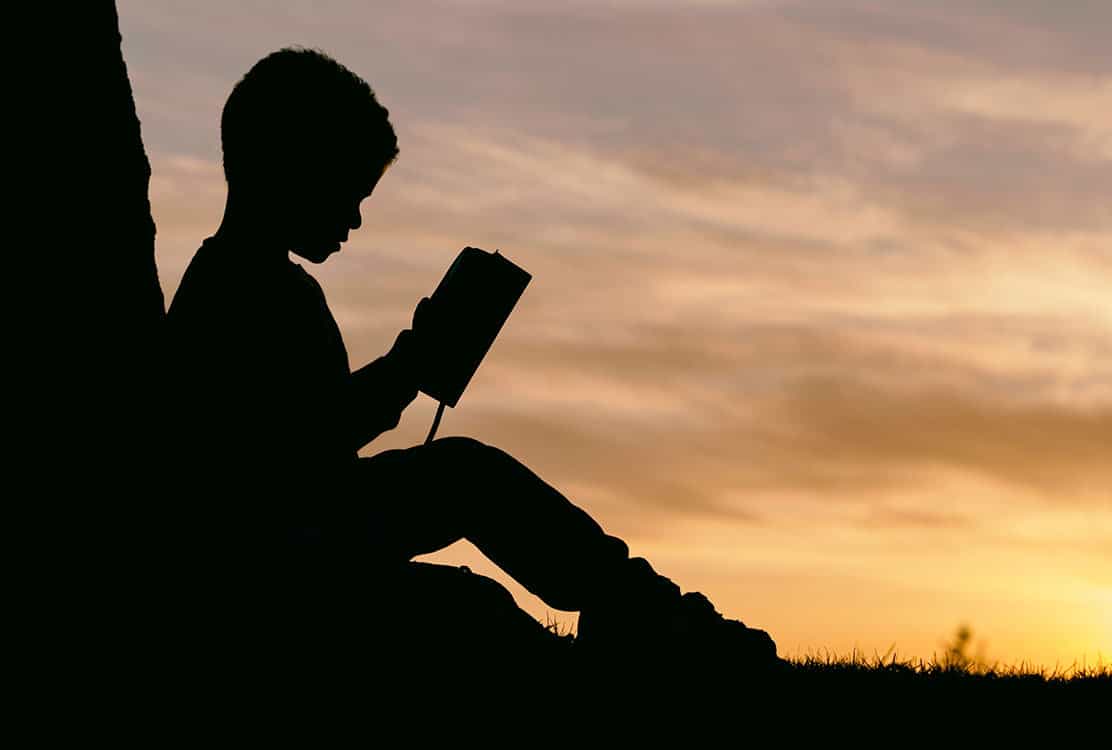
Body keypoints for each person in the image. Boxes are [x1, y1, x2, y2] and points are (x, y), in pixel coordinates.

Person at [164, 47, 776, 673]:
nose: (353, 219)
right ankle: (653, 622)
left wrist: (408, 365)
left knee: (467, 501)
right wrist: (409, 365)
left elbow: (312, 433)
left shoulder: (262, 284)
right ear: (290, 167)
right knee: (470, 541)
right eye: (347, 191)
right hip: (274, 563)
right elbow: (293, 451)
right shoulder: (235, 290)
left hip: (301, 542)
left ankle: (645, 616)